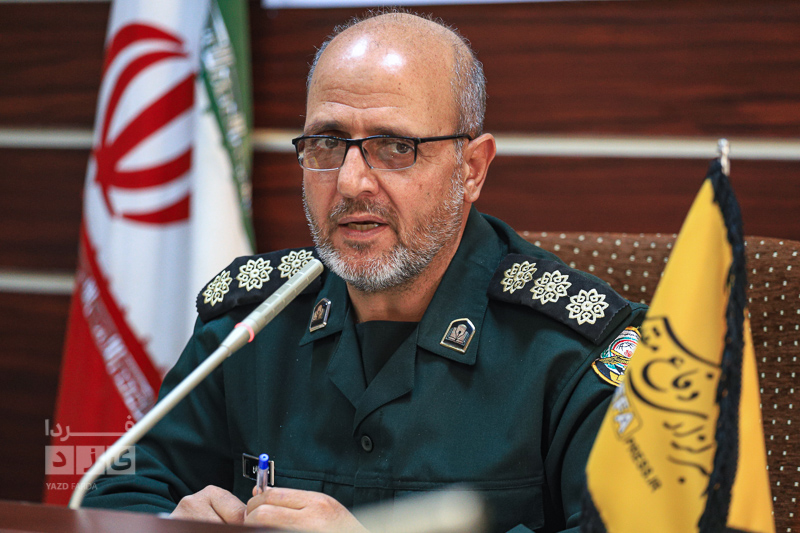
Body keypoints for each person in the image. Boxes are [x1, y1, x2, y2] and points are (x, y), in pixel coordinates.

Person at [84, 10, 646, 533]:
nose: (351, 182)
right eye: (327, 143)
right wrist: (167, 520)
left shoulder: (571, 349)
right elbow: (116, 487)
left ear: (472, 169)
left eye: (396, 147)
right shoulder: (250, 323)